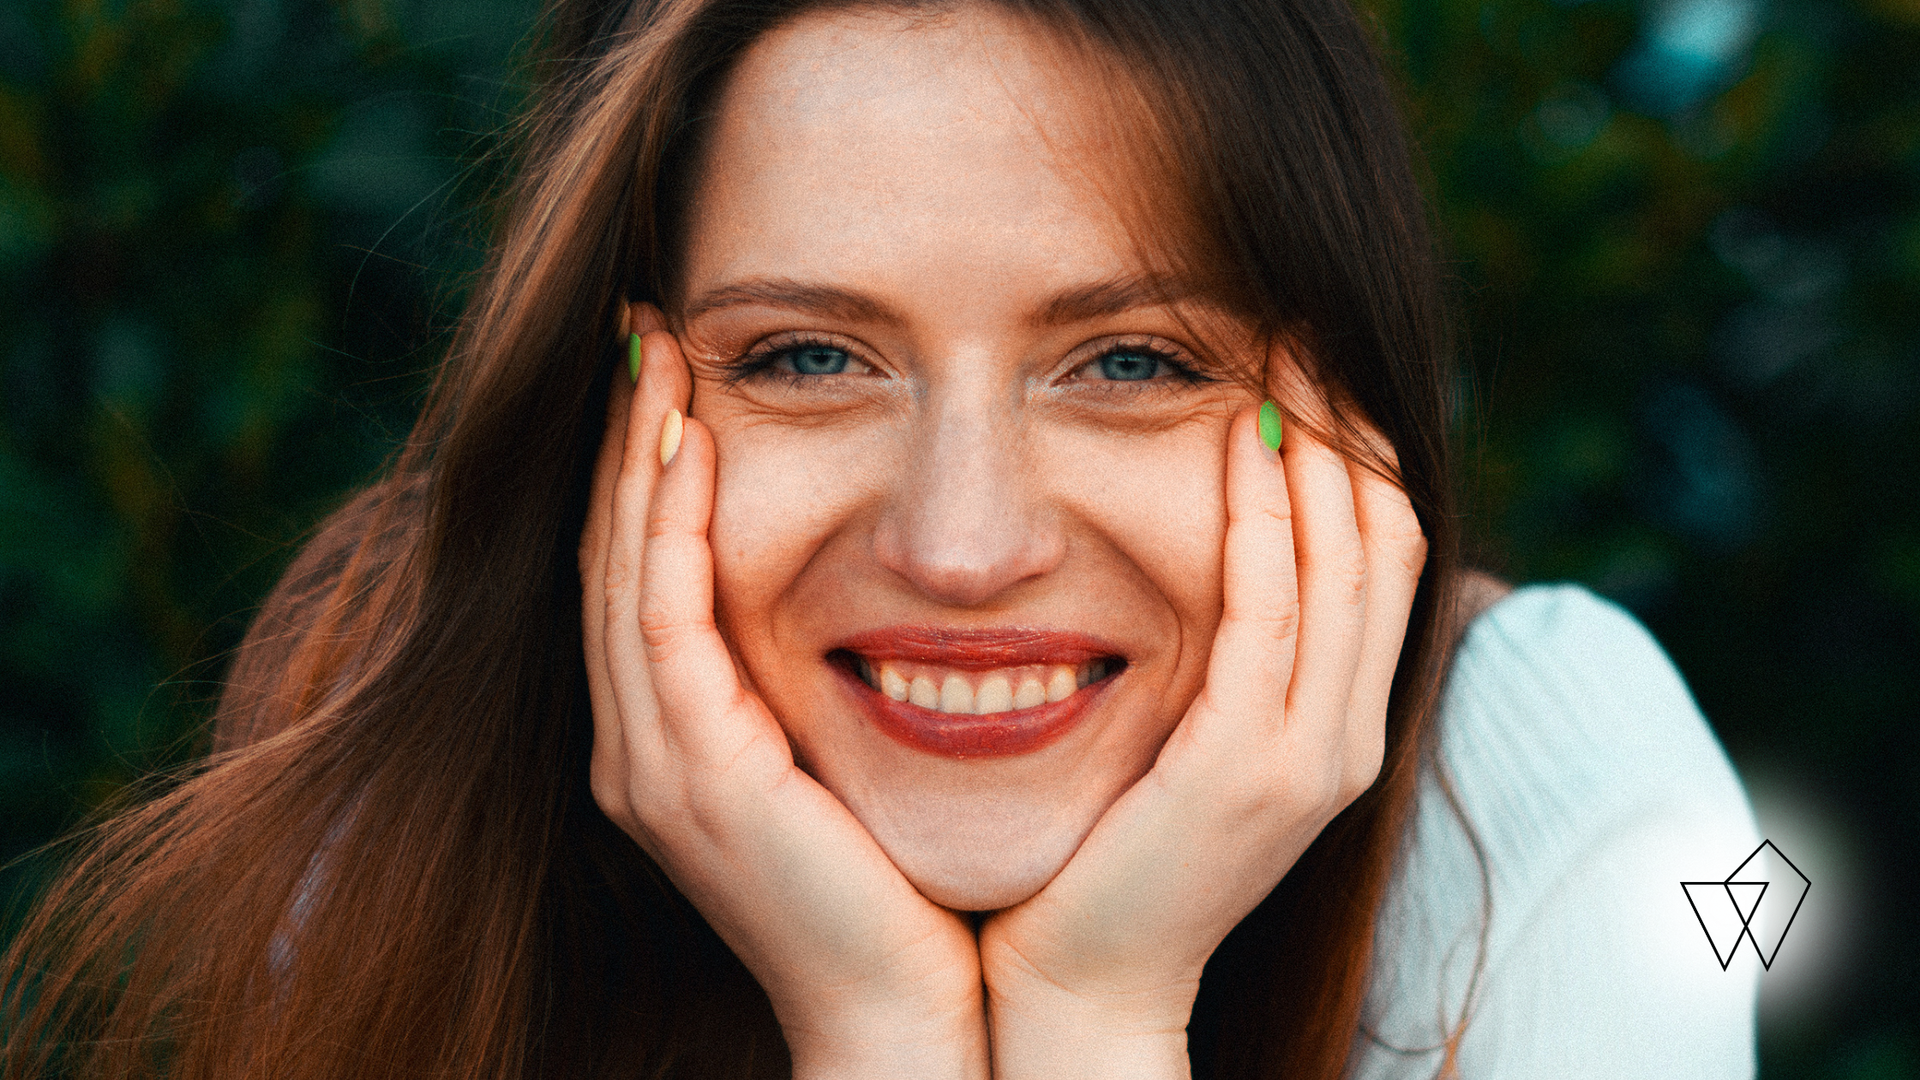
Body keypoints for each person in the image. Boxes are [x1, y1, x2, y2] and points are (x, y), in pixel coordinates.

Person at [1, 0, 1760, 1077]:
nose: (962, 545)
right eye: (806, 358)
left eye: (1130, 362)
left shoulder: (1564, 785)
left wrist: (1092, 1020)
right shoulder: (408, 776)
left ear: (1341, 415)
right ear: (618, 408)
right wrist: (883, 1035)